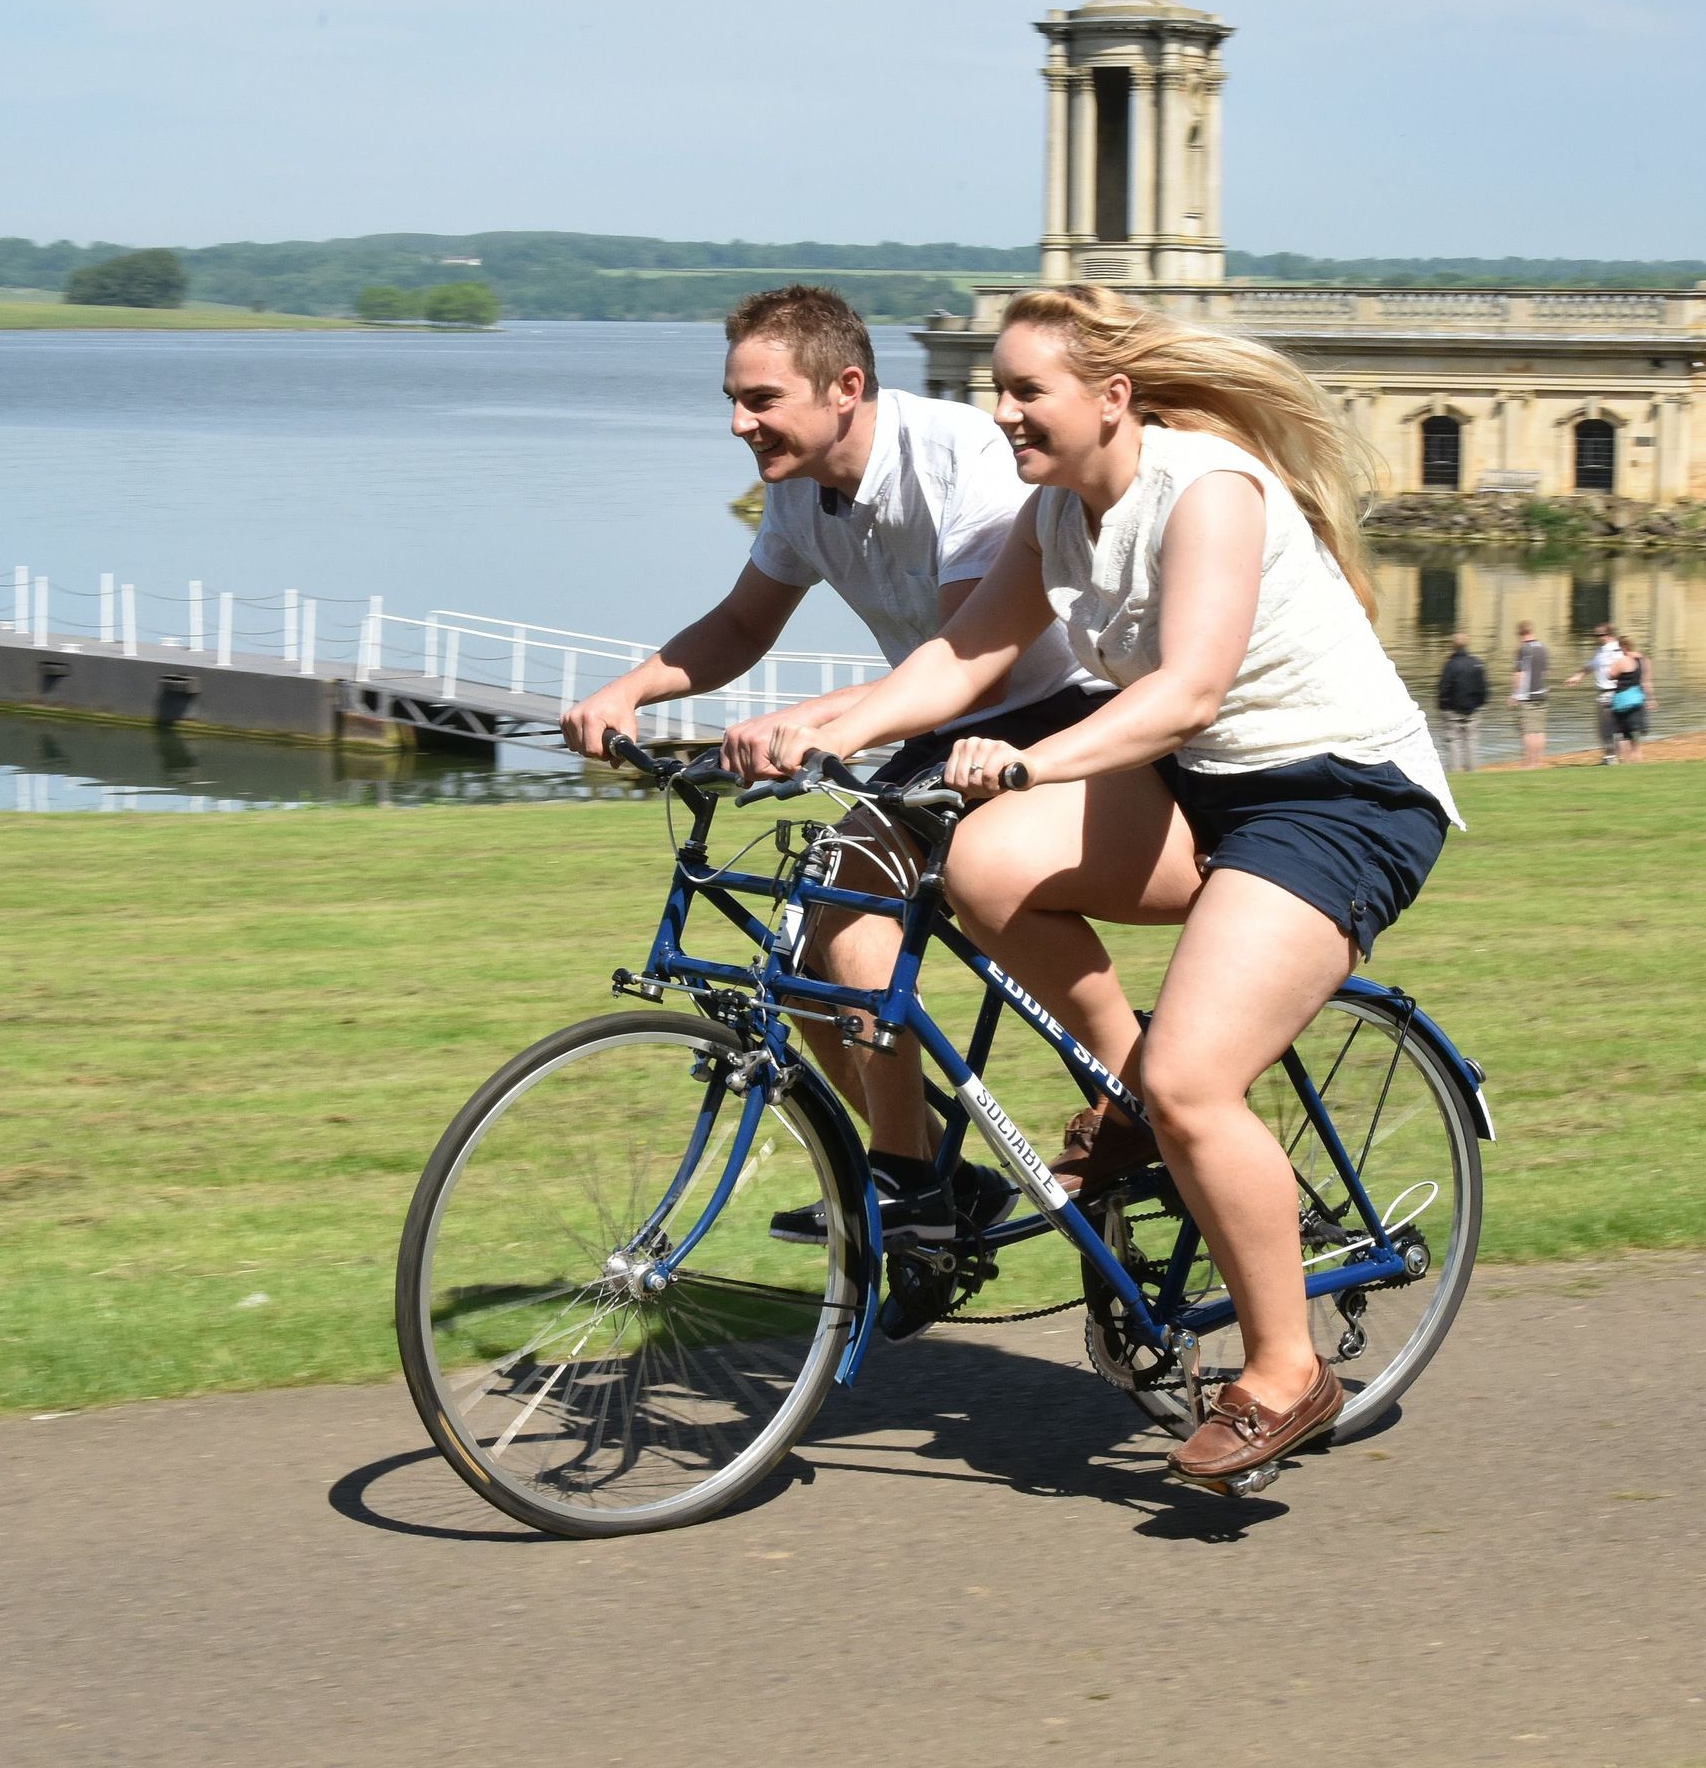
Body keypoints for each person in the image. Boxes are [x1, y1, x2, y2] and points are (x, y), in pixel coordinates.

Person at [765, 285, 1461, 1487]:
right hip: (1205, 790)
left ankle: (1286, 1367)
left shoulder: (1209, 495)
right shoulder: (1058, 513)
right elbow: (959, 659)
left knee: (1199, 1083)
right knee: (982, 859)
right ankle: (1127, 1093)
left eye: (1025, 390)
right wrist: (822, 726)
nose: (1003, 413)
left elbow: (1187, 691)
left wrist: (1034, 759)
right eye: (998, 388)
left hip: (1338, 799)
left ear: (1112, 398)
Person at [561, 284, 1108, 1257]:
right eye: (735, 398)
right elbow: (740, 624)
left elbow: (965, 650)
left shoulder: (959, 456)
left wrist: (816, 723)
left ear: (845, 387)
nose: (739, 423)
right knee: (806, 948)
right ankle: (929, 1173)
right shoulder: (797, 489)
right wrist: (630, 691)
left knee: (851, 892)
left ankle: (910, 1186)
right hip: (935, 723)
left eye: (761, 399)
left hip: (1042, 720)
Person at [1566, 622, 1623, 765]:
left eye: (1600, 635)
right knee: (1603, 727)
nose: (1597, 638)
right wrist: (1578, 676)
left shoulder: (1616, 651)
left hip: (1612, 691)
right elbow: (1590, 666)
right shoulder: (1601, 650)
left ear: (1609, 634)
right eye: (1595, 635)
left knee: (1608, 726)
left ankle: (1612, 757)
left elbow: (1624, 668)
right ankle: (1610, 755)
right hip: (1602, 692)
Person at [1434, 631, 1488, 772]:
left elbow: (1443, 688)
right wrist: (1479, 704)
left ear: (1453, 646)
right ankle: (1473, 770)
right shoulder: (1477, 664)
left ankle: (1454, 771)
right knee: (1472, 740)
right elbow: (1483, 688)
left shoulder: (1451, 665)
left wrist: (1443, 705)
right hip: (1473, 709)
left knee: (1453, 741)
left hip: (1452, 710)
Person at [1509, 619, 1550, 768]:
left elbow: (1519, 673)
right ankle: (1539, 761)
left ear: (1520, 634)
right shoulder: (1543, 648)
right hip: (1542, 693)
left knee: (1528, 730)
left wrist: (1514, 694)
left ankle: (1530, 762)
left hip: (1527, 696)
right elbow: (1545, 672)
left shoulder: (1523, 649)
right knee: (1539, 730)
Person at [1607, 634, 1655, 762]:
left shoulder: (1623, 661)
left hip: (1622, 701)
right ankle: (1638, 761)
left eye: (1618, 649)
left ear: (1624, 647)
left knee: (1624, 736)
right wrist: (1651, 699)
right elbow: (1647, 682)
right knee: (1636, 737)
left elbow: (1610, 675)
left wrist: (1614, 664)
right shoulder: (1644, 660)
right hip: (1638, 700)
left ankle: (1627, 763)